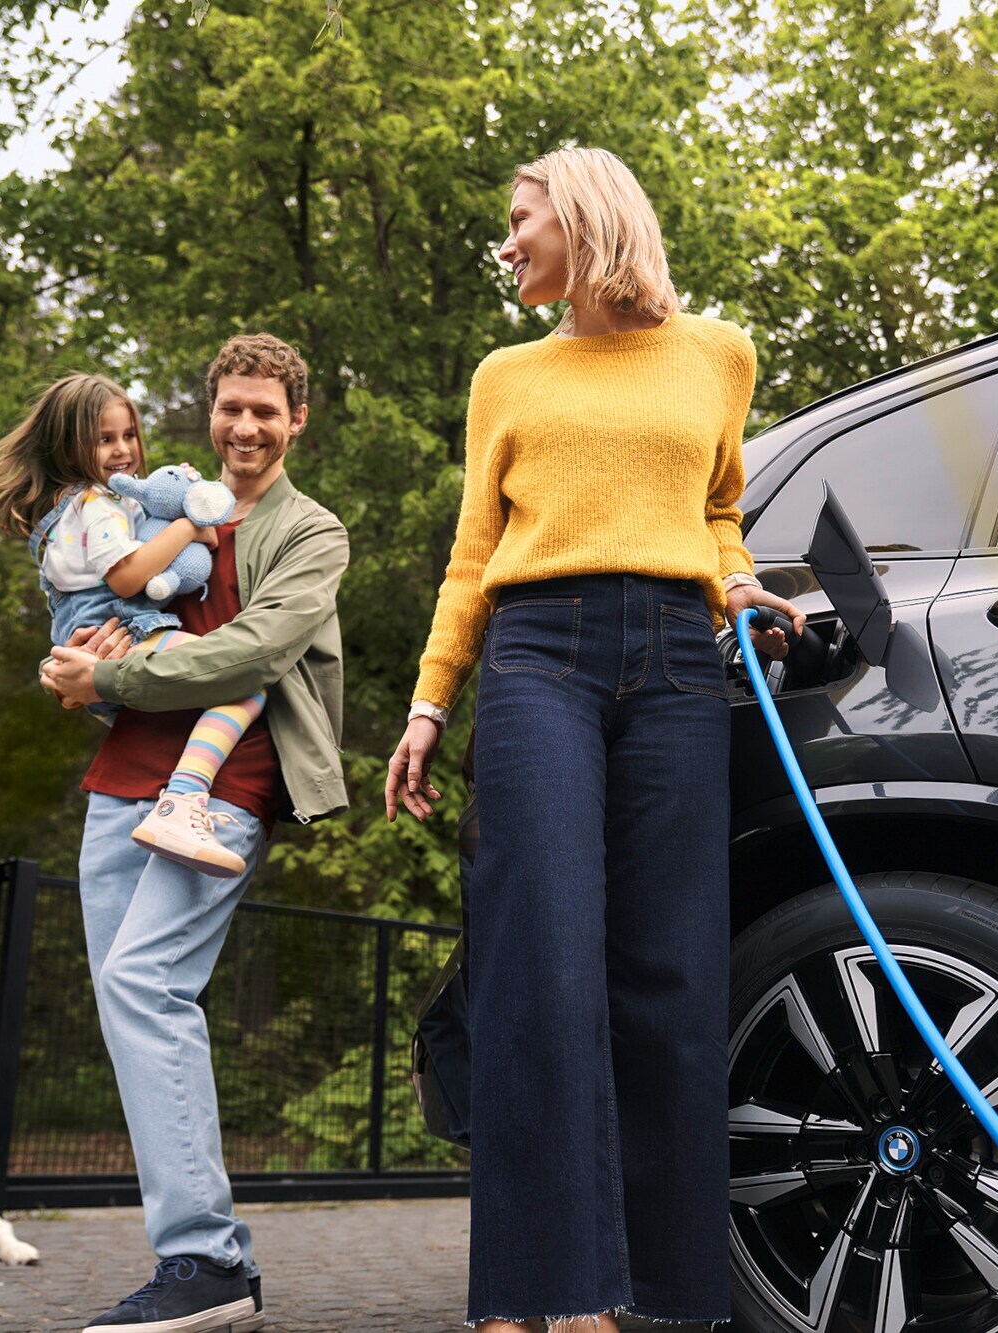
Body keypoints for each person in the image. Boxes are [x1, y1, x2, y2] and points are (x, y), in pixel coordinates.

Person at [385, 147, 803, 1332]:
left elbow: (717, 507)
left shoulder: (718, 354)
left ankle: (659, 1294)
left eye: (520, 220)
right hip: (536, 658)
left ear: (583, 217)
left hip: (676, 658)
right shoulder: (504, 376)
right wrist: (427, 701)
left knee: (671, 970)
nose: (506, 242)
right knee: (540, 964)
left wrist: (736, 581)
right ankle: (538, 1288)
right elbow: (473, 553)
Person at [38, 335, 350, 1333]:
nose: (246, 425)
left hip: (227, 782)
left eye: (267, 410)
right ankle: (203, 1261)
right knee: (134, 1008)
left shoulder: (311, 533)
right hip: (120, 777)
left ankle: (205, 1260)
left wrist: (113, 674)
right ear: (209, 413)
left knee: (146, 983)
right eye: (231, 408)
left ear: (295, 419)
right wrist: (73, 669)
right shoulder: (152, 503)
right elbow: (102, 604)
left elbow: (252, 652)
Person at [0, 373, 267, 877]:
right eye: (104, 439)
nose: (122, 451)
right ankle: (181, 802)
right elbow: (126, 576)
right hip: (128, 630)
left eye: (128, 436)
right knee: (243, 686)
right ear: (69, 447)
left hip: (94, 644)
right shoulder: (96, 504)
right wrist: (189, 527)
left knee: (174, 721)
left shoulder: (75, 506)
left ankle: (173, 803)